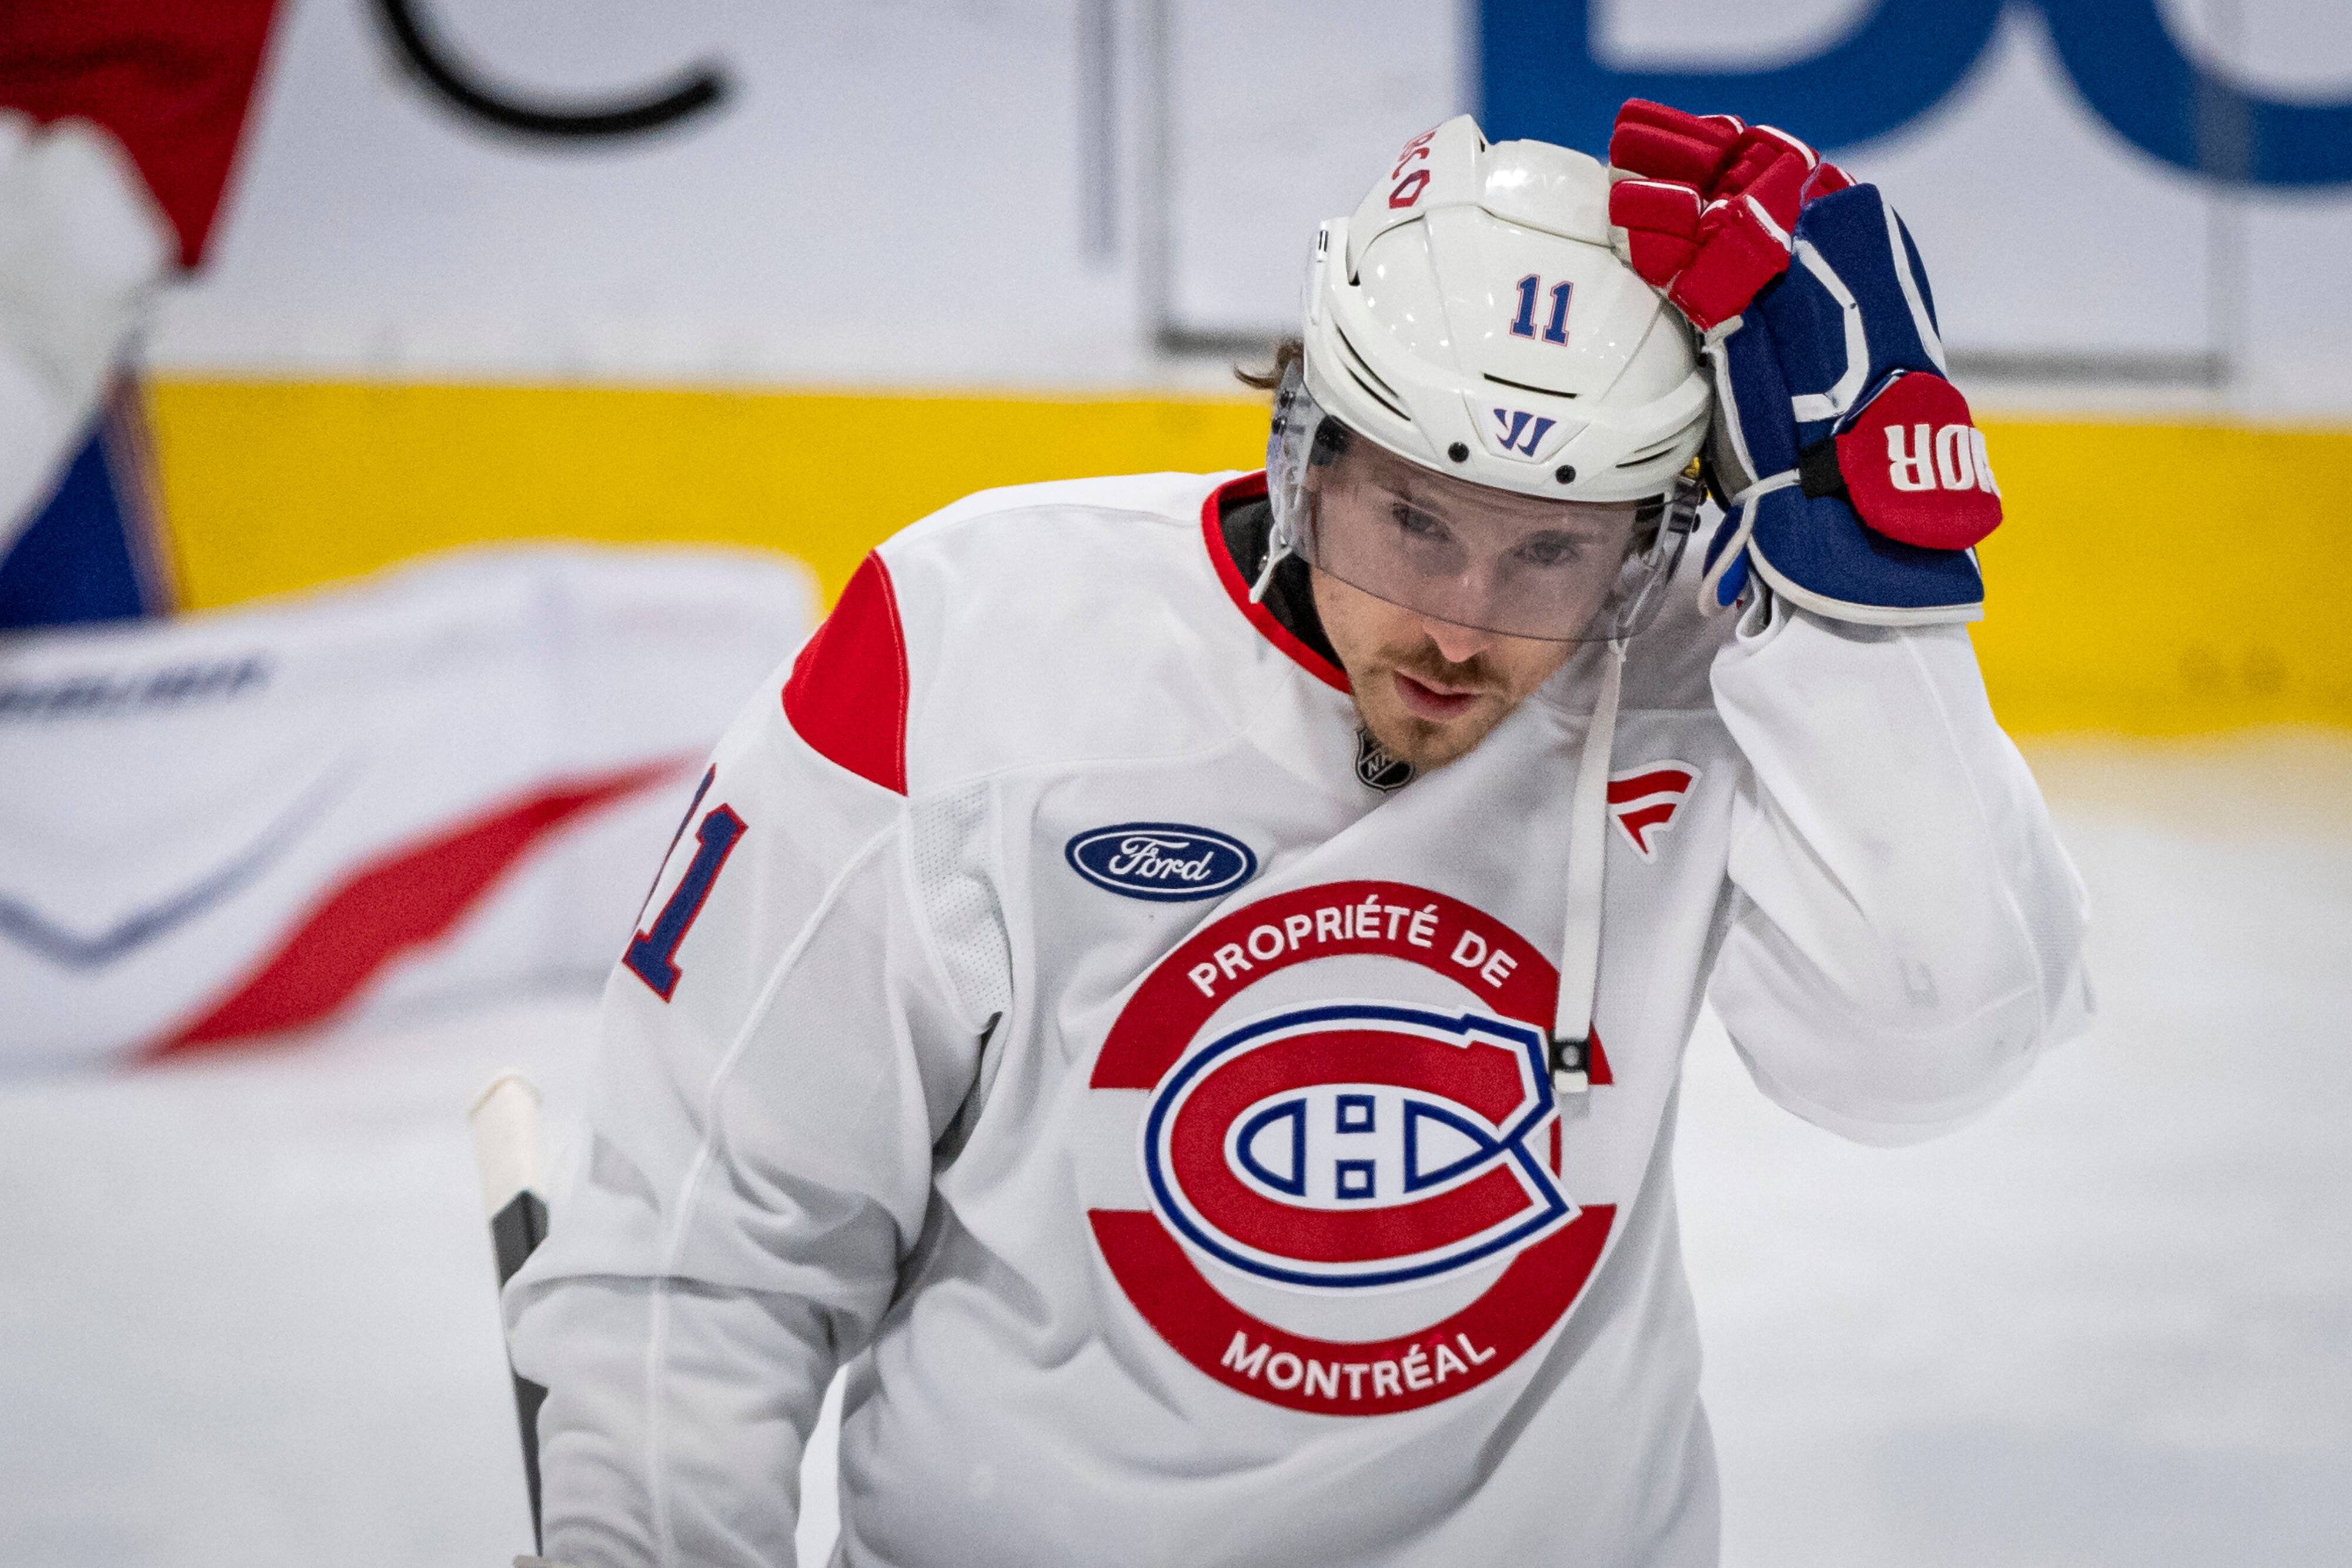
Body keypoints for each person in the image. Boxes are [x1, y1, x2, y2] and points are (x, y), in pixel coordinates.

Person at [506, 103, 2092, 1567]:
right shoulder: (973, 644)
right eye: (1411, 518)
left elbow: (1928, 1054)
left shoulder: (1686, 666)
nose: (1461, 628)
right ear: (1300, 435)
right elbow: (706, 1248)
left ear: (1651, 536)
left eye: (1549, 551)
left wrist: (1862, 599)